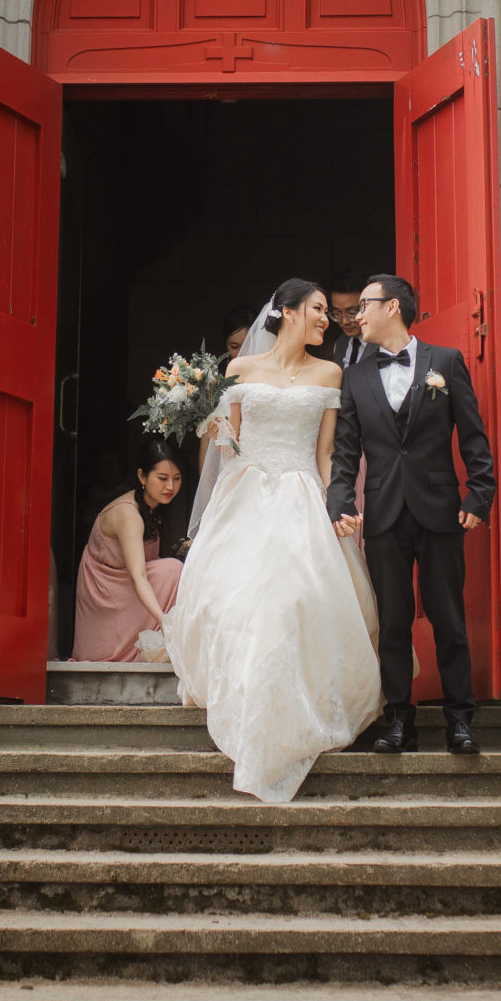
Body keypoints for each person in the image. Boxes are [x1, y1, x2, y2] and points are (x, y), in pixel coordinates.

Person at [166, 278, 382, 802]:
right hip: (245, 496)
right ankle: (247, 708)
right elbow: (231, 444)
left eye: (326, 313)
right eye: (316, 311)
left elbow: (327, 453)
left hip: (301, 495)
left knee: (292, 599)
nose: (325, 320)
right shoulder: (240, 369)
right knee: (242, 603)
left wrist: (342, 506)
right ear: (285, 313)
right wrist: (221, 437)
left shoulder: (330, 372)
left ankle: (284, 712)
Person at [330, 273, 495, 756]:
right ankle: (399, 720)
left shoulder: (445, 362)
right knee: (394, 620)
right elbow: (344, 453)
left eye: (365, 305)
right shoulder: (355, 377)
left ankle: (460, 720)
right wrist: (341, 501)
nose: (356, 315)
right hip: (382, 514)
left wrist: (478, 496)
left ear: (394, 308)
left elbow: (473, 437)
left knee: (448, 617)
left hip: (441, 508)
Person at [72, 438, 185, 662]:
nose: (170, 487)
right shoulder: (129, 514)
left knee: (176, 569)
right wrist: (165, 622)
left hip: (124, 590)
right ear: (142, 476)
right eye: (162, 478)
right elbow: (138, 576)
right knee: (173, 569)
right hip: (107, 598)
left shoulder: (152, 510)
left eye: (177, 478)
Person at [315, 271, 372, 368]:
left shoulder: (382, 344)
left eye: (352, 313)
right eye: (337, 313)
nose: (345, 322)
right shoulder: (341, 343)